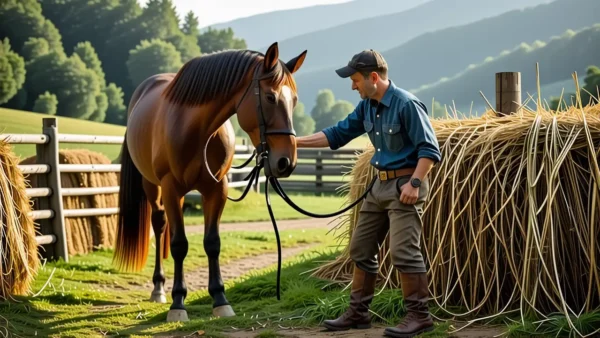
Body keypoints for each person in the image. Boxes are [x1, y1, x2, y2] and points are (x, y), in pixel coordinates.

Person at [296, 49, 442, 338]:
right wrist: (293, 142)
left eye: (355, 80)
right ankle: (359, 314)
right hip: (378, 186)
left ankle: (419, 316)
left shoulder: (407, 105)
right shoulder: (367, 106)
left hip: (405, 186)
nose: (352, 86)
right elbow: (336, 134)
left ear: (373, 77)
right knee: (360, 249)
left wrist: (414, 184)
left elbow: (430, 150)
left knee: (404, 252)